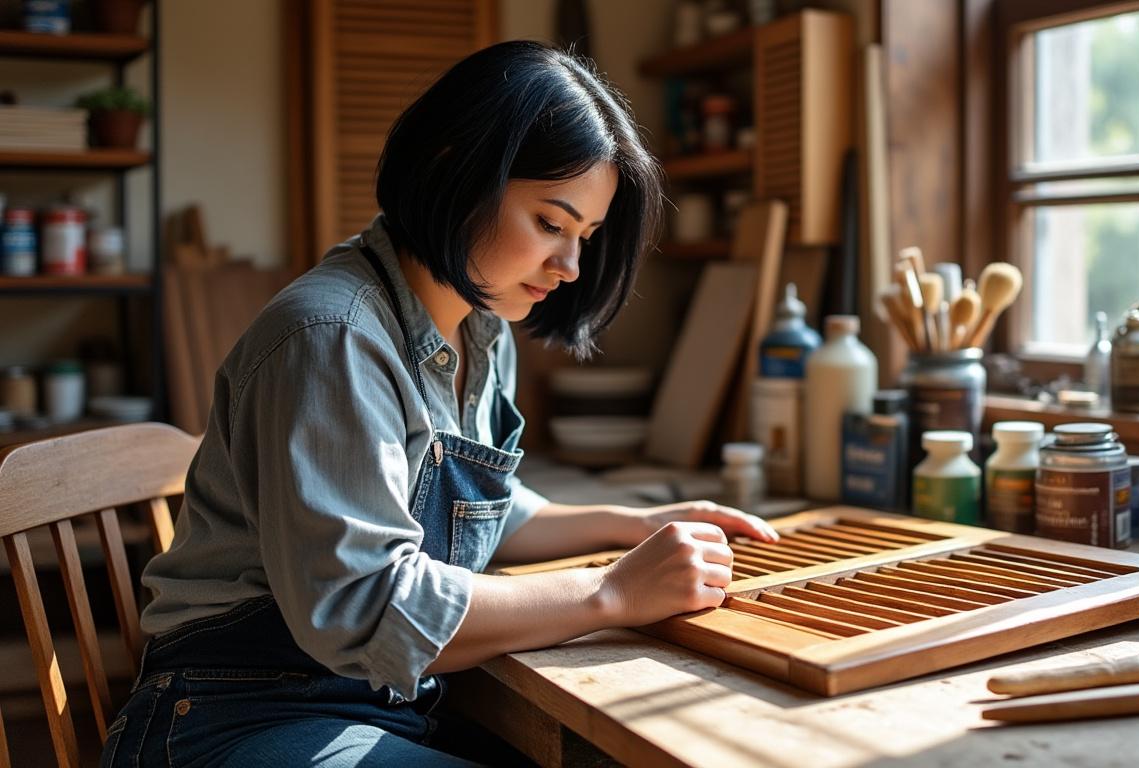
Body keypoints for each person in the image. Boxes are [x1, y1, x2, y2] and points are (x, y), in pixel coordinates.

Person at [102, 41, 777, 767]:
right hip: (237, 713)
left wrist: (635, 523)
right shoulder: (332, 337)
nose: (571, 266)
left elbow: (477, 512)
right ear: (455, 166)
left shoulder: (481, 329)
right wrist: (609, 591)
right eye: (550, 223)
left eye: (585, 236)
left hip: (383, 701)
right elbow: (362, 605)